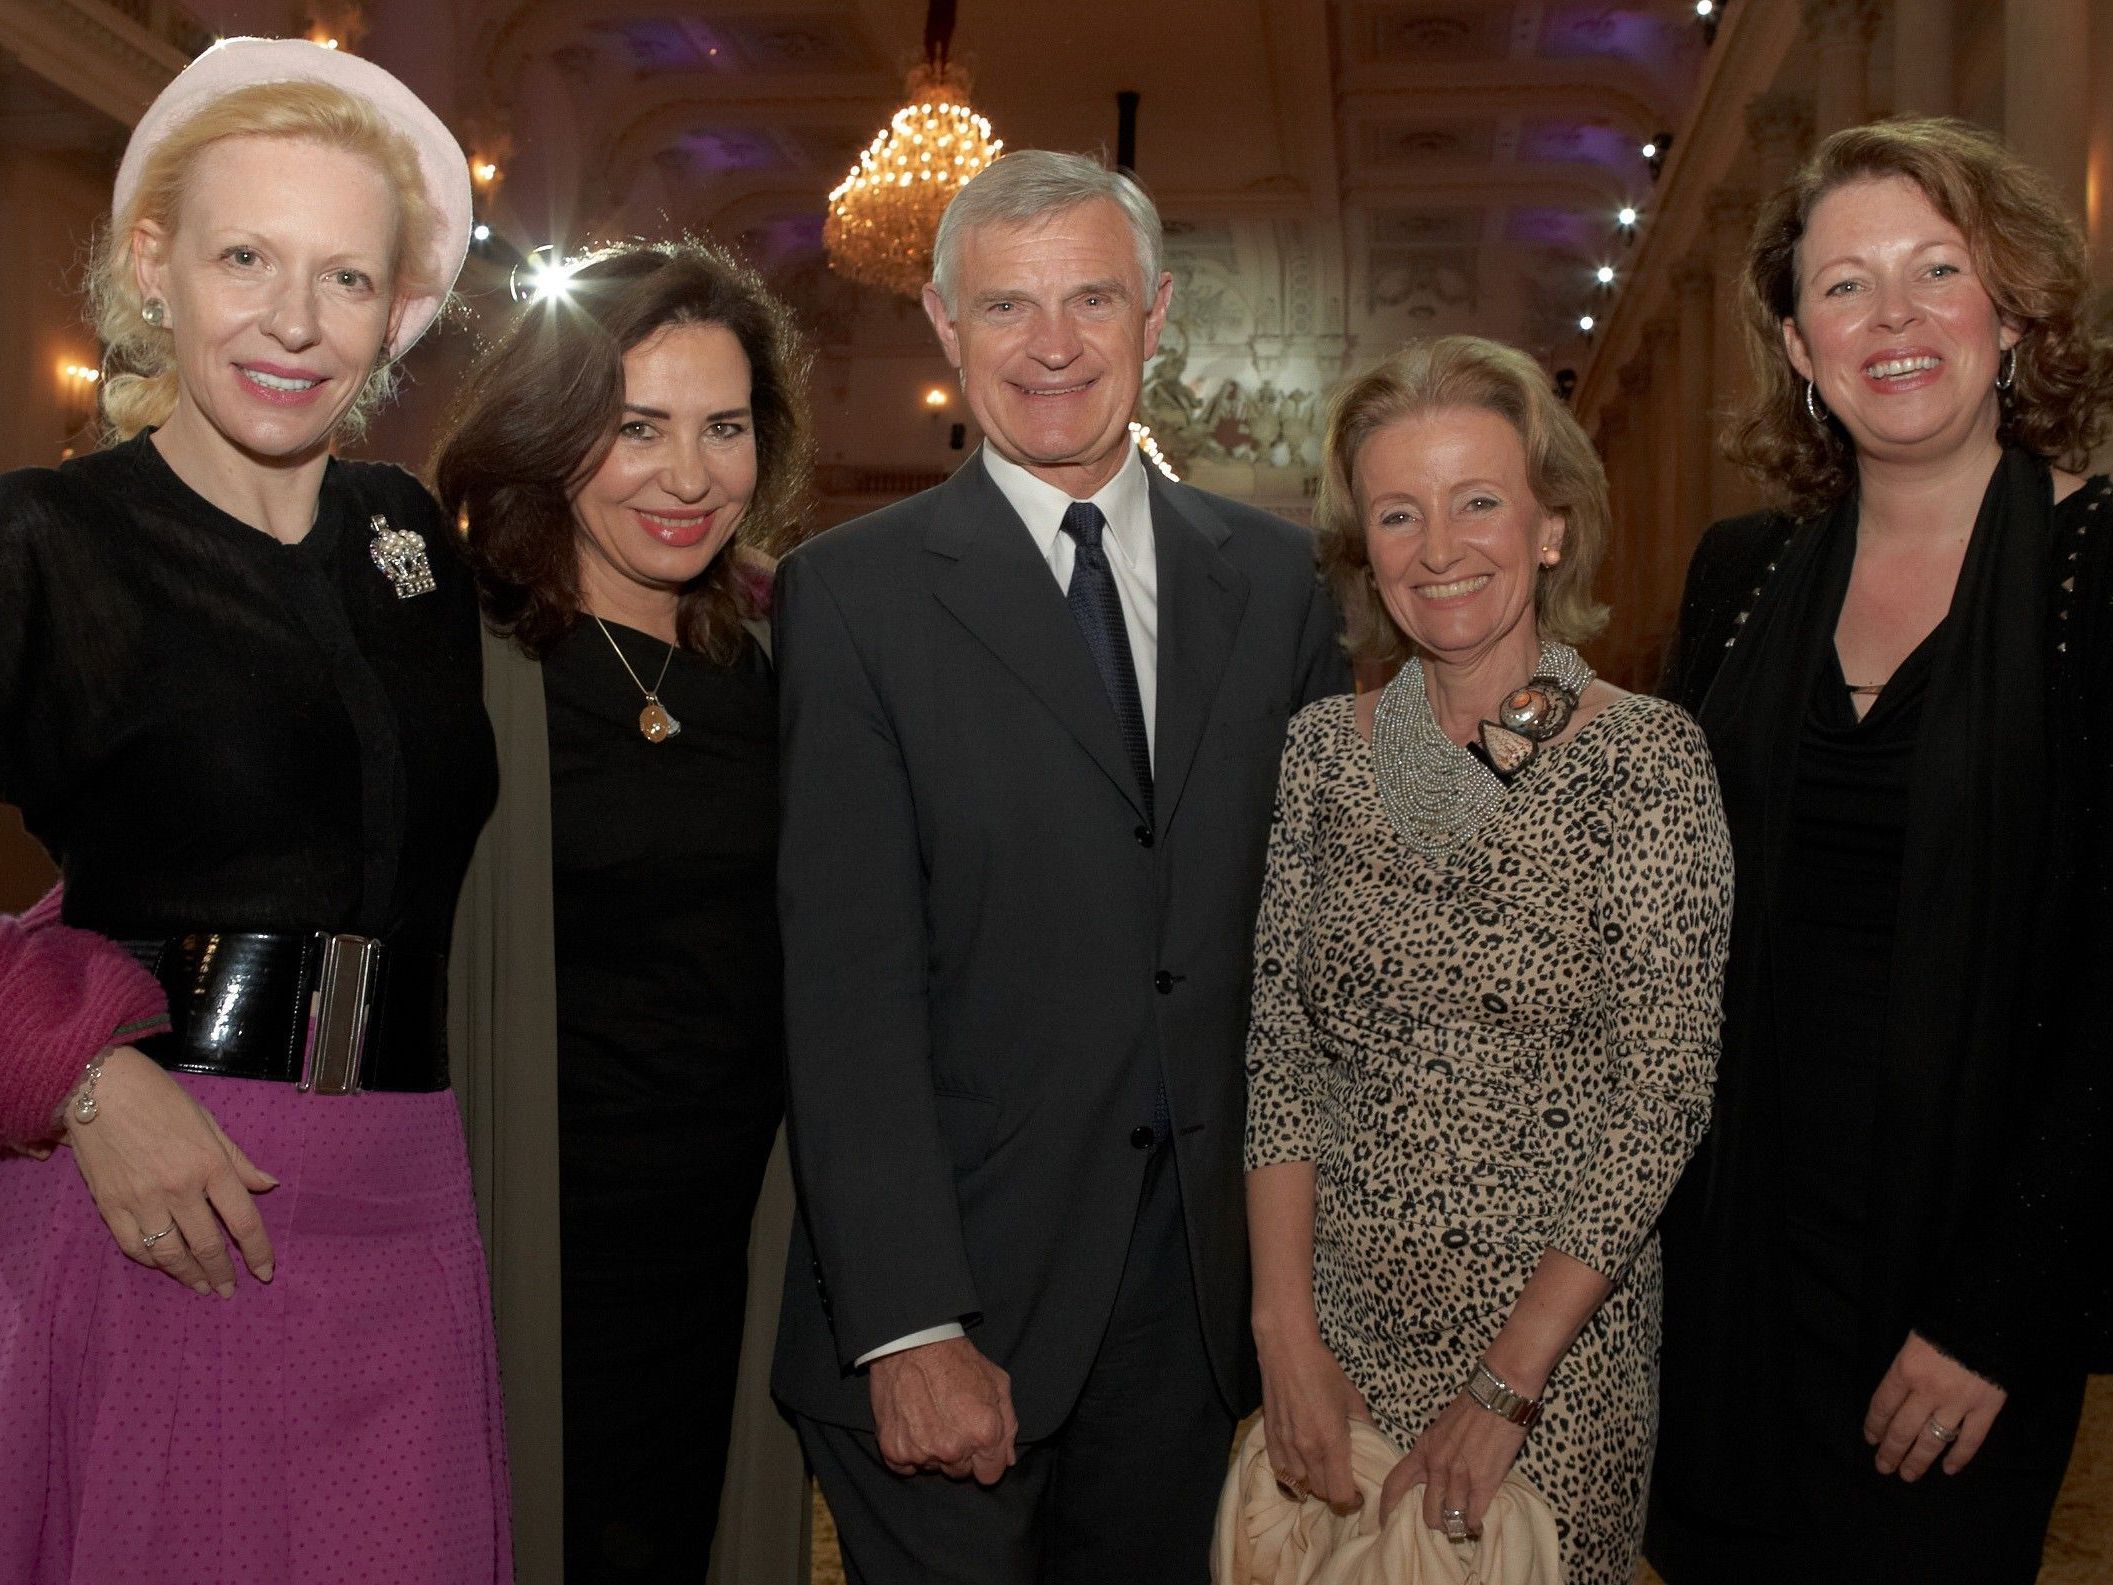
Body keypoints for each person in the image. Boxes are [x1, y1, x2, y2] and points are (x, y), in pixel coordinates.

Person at [770, 149, 1348, 1584]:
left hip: (1194, 1308)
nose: (1051, 345)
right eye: (1008, 305)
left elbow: (1321, 942)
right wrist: (907, 1323)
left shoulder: (1273, 584)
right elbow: (846, 986)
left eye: (1091, 299)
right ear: (944, 325)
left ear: (1156, 317)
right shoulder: (852, 597)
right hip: (953, 1296)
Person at [0, 36, 509, 1582]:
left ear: (399, 310)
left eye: (345, 279)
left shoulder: (410, 538)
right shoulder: (50, 540)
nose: (294, 323)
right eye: (245, 258)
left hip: (409, 1192)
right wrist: (82, 1073)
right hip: (169, 1196)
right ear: (153, 267)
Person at [1647, 117, 2113, 1584]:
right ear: (1796, 339)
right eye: (1846, 286)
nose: (1894, 318)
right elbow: (1649, 895)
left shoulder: (2099, 578)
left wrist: (1999, 1313)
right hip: (1726, 1264)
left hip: (1964, 1278)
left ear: (2014, 311)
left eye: (1936, 270)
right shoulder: (1740, 573)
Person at [1242, 335, 1732, 1585]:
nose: (1439, 547)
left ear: (1551, 528)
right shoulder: (1323, 753)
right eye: (1398, 514)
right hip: (1341, 1345)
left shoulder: (1644, 761)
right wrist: (1283, 1332)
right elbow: (1279, 1057)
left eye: (1476, 503)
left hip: (1551, 1362)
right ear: (1366, 548)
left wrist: (1503, 1388)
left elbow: (1661, 1096)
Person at [429, 239, 814, 1585]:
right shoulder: (452, 660)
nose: (688, 476)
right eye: (635, 428)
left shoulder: (780, 674)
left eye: (723, 428)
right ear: (555, 434)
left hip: (727, 1251)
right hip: (514, 1239)